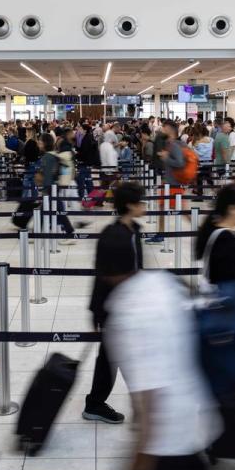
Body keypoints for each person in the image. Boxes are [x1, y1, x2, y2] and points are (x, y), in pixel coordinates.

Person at [105, 269, 220, 470]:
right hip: (196, 415)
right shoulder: (163, 280)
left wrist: (141, 457)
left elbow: (150, 395)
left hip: (169, 440)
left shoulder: (130, 309)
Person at [83, 182, 145, 426]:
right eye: (140, 201)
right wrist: (96, 312)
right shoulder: (113, 236)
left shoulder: (132, 230)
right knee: (117, 357)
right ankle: (99, 403)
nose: (144, 205)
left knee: (111, 357)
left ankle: (97, 403)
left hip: (129, 309)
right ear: (129, 205)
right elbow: (102, 276)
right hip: (117, 310)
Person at [150, 120, 188, 245]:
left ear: (170, 129)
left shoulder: (175, 144)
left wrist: (166, 158)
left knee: (180, 210)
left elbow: (180, 163)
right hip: (170, 183)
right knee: (164, 208)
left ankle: (201, 230)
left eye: (164, 127)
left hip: (173, 184)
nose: (162, 129)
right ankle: (160, 234)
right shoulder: (171, 143)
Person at [38, 133, 77, 244]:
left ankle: (70, 233)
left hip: (51, 188)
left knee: (55, 211)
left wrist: (45, 189)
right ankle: (36, 233)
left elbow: (48, 175)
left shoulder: (47, 157)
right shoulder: (53, 155)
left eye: (40, 142)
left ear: (45, 143)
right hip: (54, 187)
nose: (39, 144)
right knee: (44, 211)